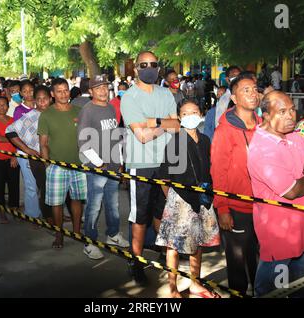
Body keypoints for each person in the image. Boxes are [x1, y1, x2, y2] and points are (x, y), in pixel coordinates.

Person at [248, 91, 304, 296]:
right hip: (280, 234)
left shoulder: (294, 137)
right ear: (265, 115)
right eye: (282, 111)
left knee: (300, 283)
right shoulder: (261, 150)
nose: (291, 116)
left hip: (303, 226)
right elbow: (292, 191)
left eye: (292, 109)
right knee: (276, 289)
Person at [120, 51, 180, 285]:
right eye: (143, 65)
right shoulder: (129, 97)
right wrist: (164, 122)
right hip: (141, 165)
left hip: (164, 163)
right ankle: (136, 262)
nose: (148, 68)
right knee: (140, 216)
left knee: (162, 212)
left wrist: (153, 121)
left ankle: (166, 255)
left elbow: (177, 126)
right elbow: (142, 137)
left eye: (153, 65)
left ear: (158, 68)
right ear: (136, 69)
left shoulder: (165, 93)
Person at [156, 99, 220, 298]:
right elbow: (164, 177)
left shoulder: (206, 140)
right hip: (180, 200)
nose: (190, 116)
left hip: (202, 198)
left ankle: (195, 283)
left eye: (194, 112)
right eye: (185, 113)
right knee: (174, 246)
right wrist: (173, 201)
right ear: (179, 118)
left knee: (197, 243)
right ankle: (173, 288)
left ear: (201, 114)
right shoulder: (174, 142)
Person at [210, 73, 260, 296]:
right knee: (237, 263)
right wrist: (222, 208)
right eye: (246, 90)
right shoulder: (225, 130)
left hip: (262, 206)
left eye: (255, 89)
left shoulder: (263, 125)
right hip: (236, 209)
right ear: (234, 98)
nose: (253, 94)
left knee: (258, 258)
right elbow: (217, 171)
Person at [77, 75, 129, 260]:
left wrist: (120, 161)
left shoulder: (110, 107)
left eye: (105, 87)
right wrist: (99, 163)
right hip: (97, 168)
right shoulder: (87, 111)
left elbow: (116, 137)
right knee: (94, 206)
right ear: (90, 91)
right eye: (98, 88)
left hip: (113, 166)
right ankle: (89, 242)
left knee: (113, 204)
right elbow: (83, 142)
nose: (102, 90)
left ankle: (113, 234)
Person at [38, 78, 87, 248]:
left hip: (78, 165)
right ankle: (59, 235)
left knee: (77, 200)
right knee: (56, 203)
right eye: (59, 91)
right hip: (56, 166)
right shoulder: (46, 115)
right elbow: (43, 143)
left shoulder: (80, 111)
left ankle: (77, 232)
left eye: (66, 90)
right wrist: (48, 165)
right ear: (52, 94)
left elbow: (87, 137)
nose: (63, 94)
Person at [6, 85, 53, 222]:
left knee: (53, 188)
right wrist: (27, 150)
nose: (42, 102)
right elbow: (10, 131)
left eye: (45, 99)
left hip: (55, 158)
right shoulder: (29, 115)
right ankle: (36, 216)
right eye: (40, 99)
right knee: (37, 187)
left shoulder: (54, 113)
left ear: (50, 98)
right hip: (36, 158)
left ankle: (55, 216)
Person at [0, 96, 20, 224]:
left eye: (4, 104)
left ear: (8, 106)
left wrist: (15, 154)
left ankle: (14, 209)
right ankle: (2, 212)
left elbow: (19, 141)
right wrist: (14, 139)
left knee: (14, 185)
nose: (2, 107)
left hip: (12, 158)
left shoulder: (13, 120)